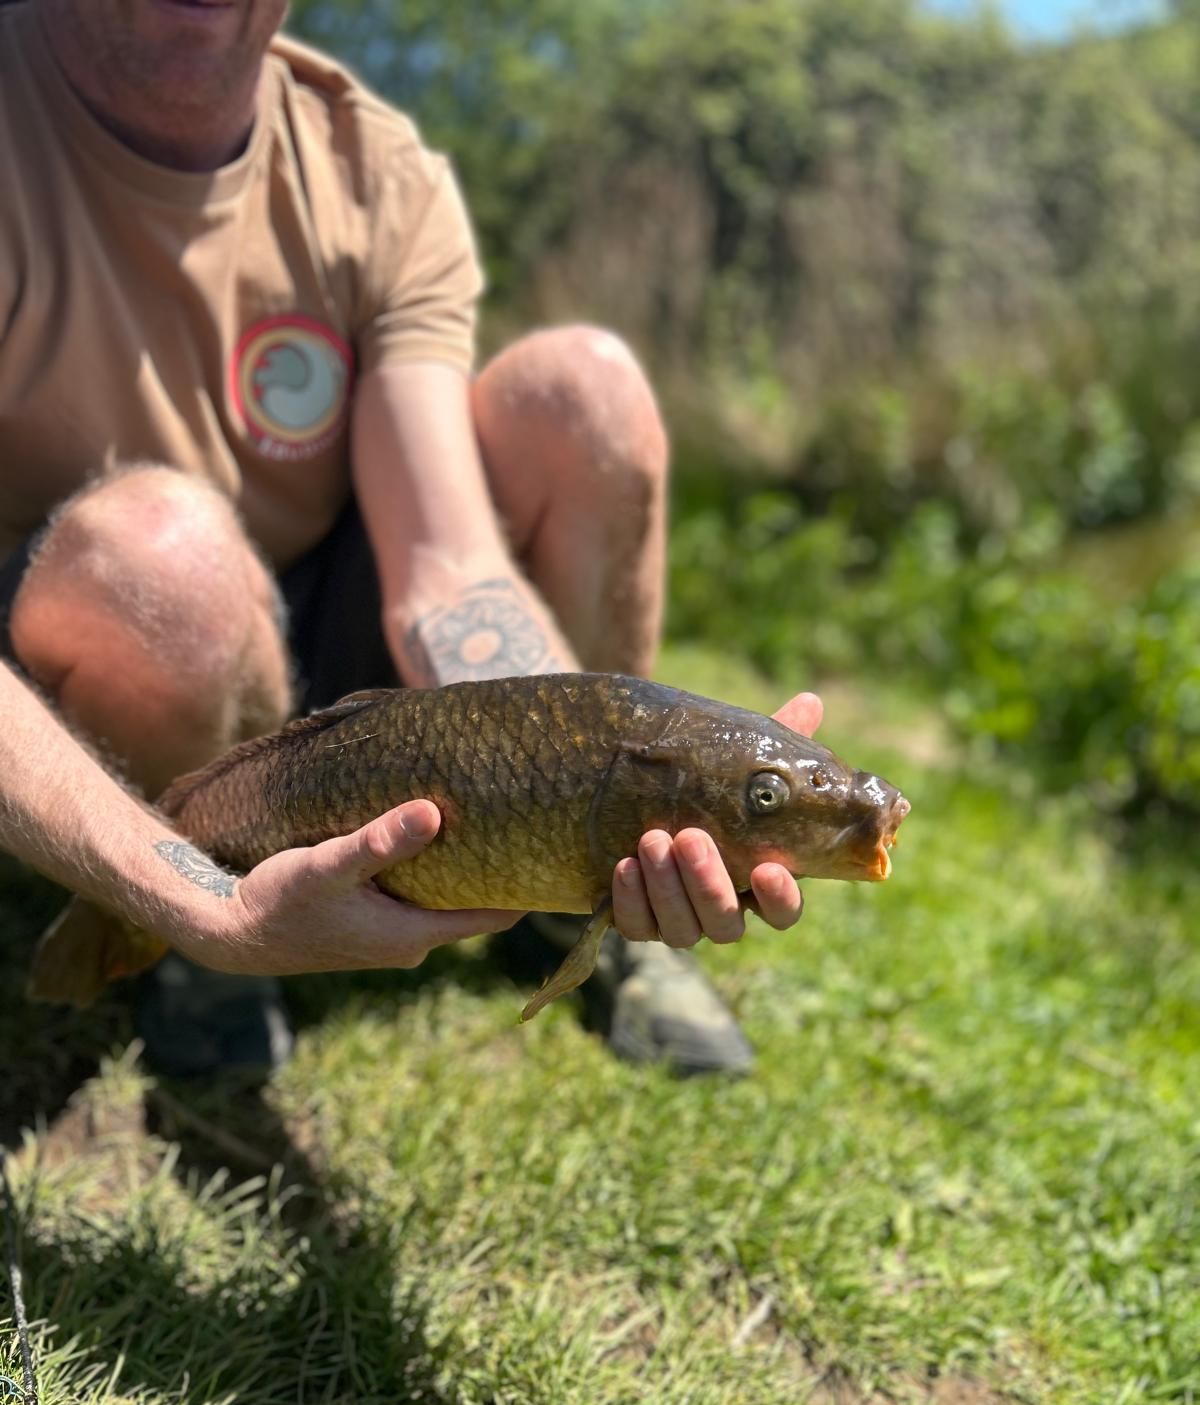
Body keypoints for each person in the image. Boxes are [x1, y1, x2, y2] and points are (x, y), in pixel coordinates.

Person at [0, 0, 823, 1078]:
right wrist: (196, 904)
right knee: (161, 562)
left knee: (588, 393)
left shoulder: (369, 167)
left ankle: (565, 893)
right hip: (83, 659)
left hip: (343, 660)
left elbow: (448, 563)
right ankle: (188, 918)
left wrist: (604, 789)